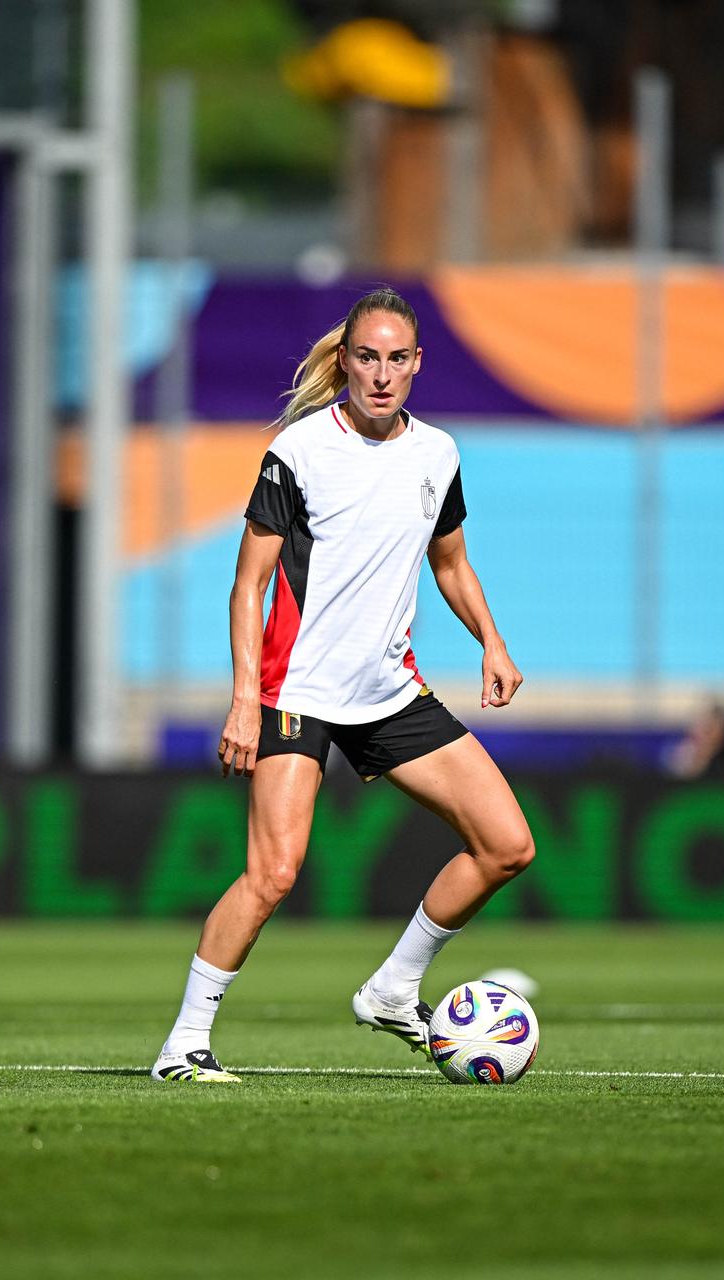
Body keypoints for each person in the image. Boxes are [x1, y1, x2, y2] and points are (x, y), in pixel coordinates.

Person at [151, 287, 533, 1083]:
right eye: (368, 357)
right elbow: (247, 583)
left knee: (507, 846)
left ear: (417, 363)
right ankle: (182, 1045)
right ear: (345, 361)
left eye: (398, 359)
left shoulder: (438, 454)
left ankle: (394, 988)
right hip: (297, 693)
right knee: (274, 874)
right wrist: (242, 702)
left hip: (389, 691)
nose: (382, 374)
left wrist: (492, 642)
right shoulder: (299, 451)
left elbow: (451, 562)